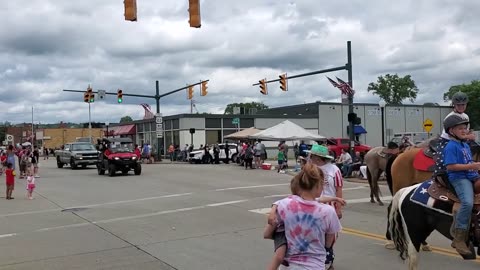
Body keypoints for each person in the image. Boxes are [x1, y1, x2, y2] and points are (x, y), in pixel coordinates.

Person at [264, 163, 342, 270]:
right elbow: (329, 241)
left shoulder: (285, 205)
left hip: (288, 266)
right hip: (315, 265)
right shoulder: (328, 211)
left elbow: (268, 232)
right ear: (318, 185)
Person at [443, 114, 480, 255]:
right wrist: (473, 166)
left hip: (471, 175)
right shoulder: (451, 146)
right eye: (460, 128)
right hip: (459, 178)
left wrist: (475, 166)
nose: (464, 130)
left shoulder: (464, 144)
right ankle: (459, 238)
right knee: (467, 203)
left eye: (465, 128)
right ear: (451, 131)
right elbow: (451, 167)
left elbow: (468, 163)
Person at [434, 91, 475, 178]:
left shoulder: (465, 116)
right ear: (454, 105)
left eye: (463, 104)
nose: (461, 107)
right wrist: (468, 136)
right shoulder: (450, 117)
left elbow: (464, 131)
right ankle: (439, 176)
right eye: (458, 105)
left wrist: (469, 133)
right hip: (448, 140)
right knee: (442, 159)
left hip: (461, 140)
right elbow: (450, 134)